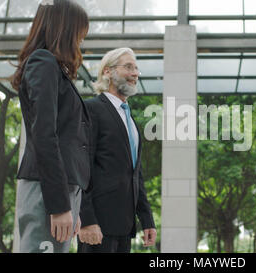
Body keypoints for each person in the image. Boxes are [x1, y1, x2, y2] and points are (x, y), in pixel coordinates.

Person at [12, 0, 90, 253]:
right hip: (48, 192)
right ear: (65, 30)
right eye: (79, 34)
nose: (80, 42)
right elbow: (45, 136)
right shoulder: (43, 62)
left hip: (59, 191)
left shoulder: (52, 68)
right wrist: (59, 205)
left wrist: (70, 205)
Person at [77, 48, 156, 253]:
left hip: (125, 227)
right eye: (128, 67)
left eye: (136, 68)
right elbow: (81, 165)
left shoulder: (130, 120)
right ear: (107, 72)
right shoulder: (91, 109)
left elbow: (135, 173)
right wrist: (86, 219)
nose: (135, 73)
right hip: (97, 226)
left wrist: (146, 219)